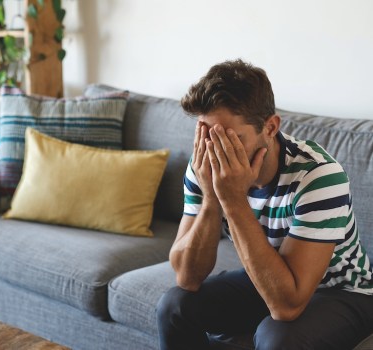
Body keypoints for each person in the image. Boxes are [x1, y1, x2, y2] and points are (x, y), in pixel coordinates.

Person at [156, 59, 373, 350]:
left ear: (270, 127)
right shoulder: (204, 165)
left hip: (344, 291)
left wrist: (233, 200)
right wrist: (211, 198)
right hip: (270, 275)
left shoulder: (318, 176)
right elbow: (187, 277)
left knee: (278, 337)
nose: (216, 150)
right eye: (207, 134)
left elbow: (287, 307)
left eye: (230, 138)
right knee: (175, 305)